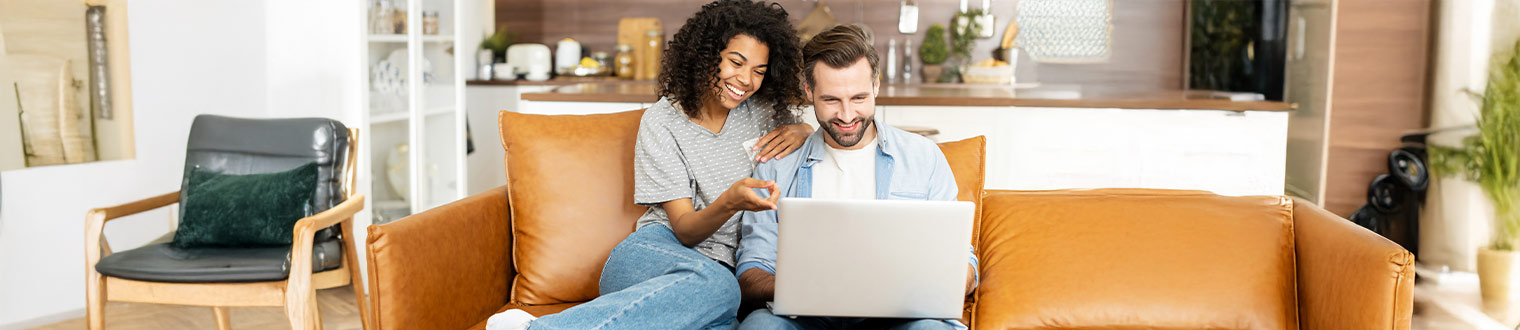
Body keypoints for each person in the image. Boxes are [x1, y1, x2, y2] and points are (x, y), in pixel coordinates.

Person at [486, 1, 811, 329]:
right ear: (708, 54)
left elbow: (814, 140)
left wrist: (804, 130)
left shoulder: (764, 113)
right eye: (736, 62)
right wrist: (731, 201)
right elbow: (684, 229)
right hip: (654, 255)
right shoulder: (663, 121)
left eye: (759, 70)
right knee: (722, 288)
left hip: (712, 287)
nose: (745, 80)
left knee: (726, 311)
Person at [734, 24, 978, 330]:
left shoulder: (923, 157)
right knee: (761, 327)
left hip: (899, 319)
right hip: (806, 319)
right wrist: (808, 287)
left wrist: (946, 281)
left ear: (876, 86)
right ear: (809, 91)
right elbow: (751, 271)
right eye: (832, 100)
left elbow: (962, 261)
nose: (847, 116)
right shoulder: (777, 167)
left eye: (859, 98)